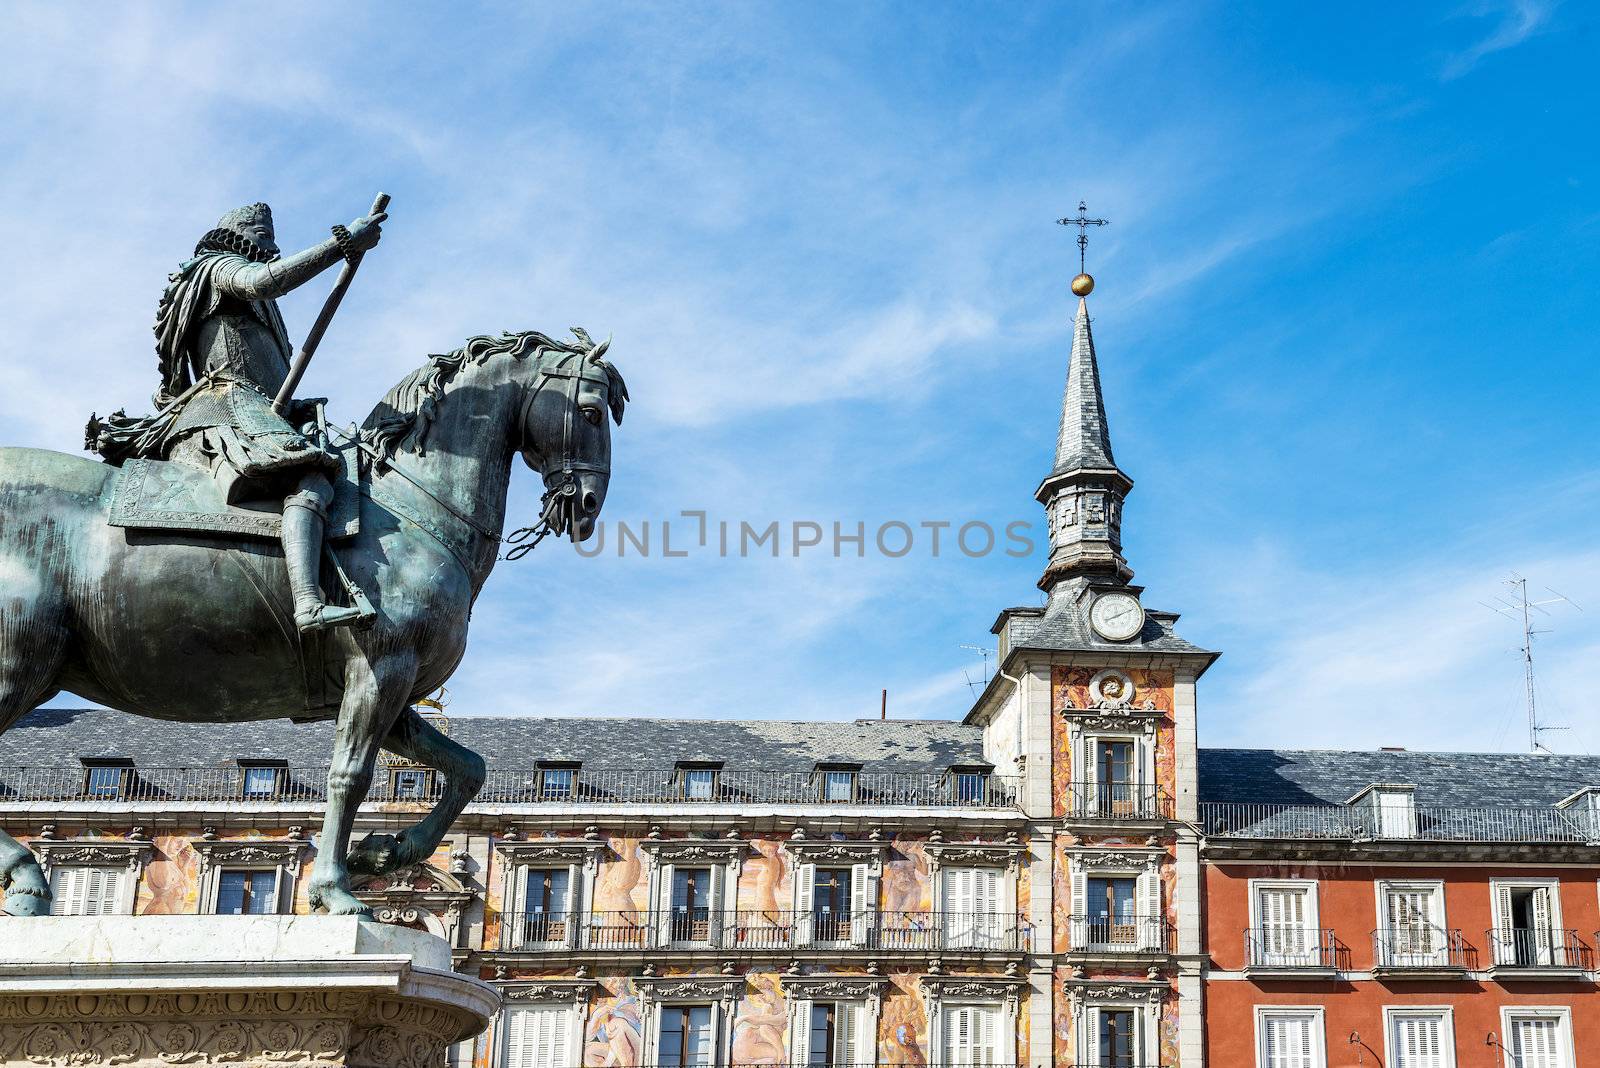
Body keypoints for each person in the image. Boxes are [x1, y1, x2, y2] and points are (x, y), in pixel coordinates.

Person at [148, 201, 385, 632]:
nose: (271, 243)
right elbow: (263, 282)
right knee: (310, 476)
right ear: (235, 233)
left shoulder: (258, 305)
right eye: (262, 232)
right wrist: (342, 243)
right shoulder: (217, 268)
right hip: (226, 406)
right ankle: (309, 603)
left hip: (260, 410)